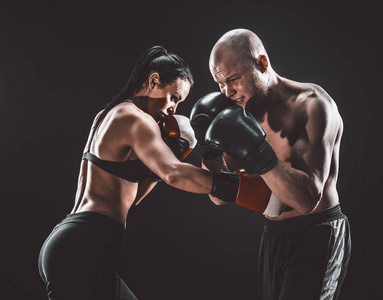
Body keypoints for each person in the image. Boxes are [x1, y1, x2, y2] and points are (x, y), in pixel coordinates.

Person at [37, 46, 245, 300]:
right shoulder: (136, 119)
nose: (173, 109)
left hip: (78, 244)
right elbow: (174, 174)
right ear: (154, 80)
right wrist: (242, 187)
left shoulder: (108, 114)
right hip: (84, 248)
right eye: (174, 97)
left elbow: (132, 197)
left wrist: (168, 158)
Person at [192, 29, 351, 300]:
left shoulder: (312, 106)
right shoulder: (239, 112)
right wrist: (209, 152)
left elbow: (306, 199)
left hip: (317, 233)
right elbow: (218, 196)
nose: (227, 92)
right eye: (220, 83)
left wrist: (259, 154)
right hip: (274, 235)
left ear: (262, 63)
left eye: (233, 80)